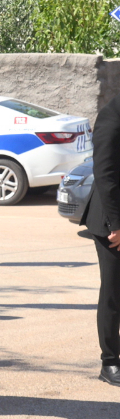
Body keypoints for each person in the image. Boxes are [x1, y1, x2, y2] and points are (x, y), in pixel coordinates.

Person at [81, 92, 120, 387]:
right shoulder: (112, 115)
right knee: (113, 293)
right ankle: (110, 362)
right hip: (111, 221)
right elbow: (105, 174)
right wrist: (117, 224)